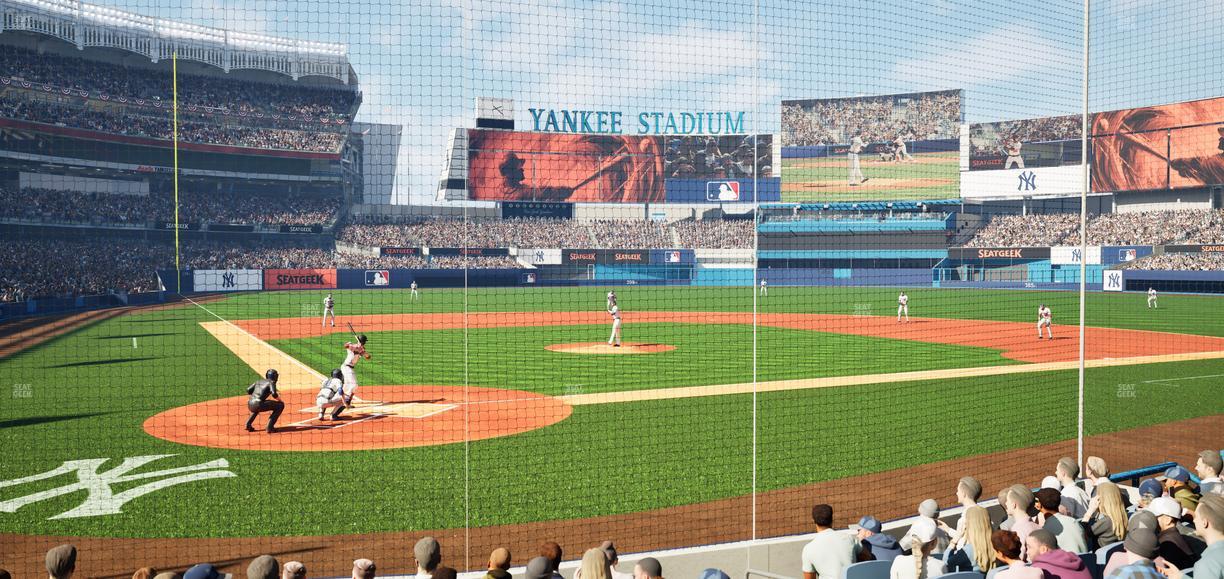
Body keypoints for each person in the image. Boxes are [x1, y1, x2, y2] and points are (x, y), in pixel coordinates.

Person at [1153, 494, 1224, 579]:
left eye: (1196, 516)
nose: (1194, 520)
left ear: (1205, 523)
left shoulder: (1206, 564)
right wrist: (1181, 577)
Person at [801, 504, 861, 579]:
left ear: (814, 521)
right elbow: (867, 557)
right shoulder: (848, 538)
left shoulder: (808, 549)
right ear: (832, 519)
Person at [1036, 487, 1089, 553]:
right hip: (1085, 562)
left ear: (1039, 505)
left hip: (1066, 562)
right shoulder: (1073, 521)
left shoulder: (1045, 531)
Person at [1149, 497, 1197, 569]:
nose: (1150, 519)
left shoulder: (1166, 543)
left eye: (1154, 516)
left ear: (1167, 520)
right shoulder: (1173, 536)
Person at [947, 506, 998, 573]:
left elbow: (945, 563)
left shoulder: (967, 551)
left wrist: (954, 541)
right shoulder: (1000, 544)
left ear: (970, 525)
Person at [1027, 529, 1092, 579]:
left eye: (1029, 547)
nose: (1027, 552)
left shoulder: (1038, 570)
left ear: (1043, 549)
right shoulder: (1077, 560)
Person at [1083, 481, 1129, 546]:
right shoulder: (1124, 515)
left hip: (1099, 555)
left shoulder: (1106, 522)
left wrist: (1089, 512)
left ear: (1102, 500)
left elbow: (1081, 534)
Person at [245, 369, 284, 433]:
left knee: (258, 407)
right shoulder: (271, 382)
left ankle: (248, 424)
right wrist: (280, 400)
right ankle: (270, 427)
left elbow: (248, 390)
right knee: (280, 405)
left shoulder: (259, 381)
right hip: (258, 405)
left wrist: (255, 396)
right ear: (275, 377)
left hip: (250, 404)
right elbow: (274, 394)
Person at [341, 335, 371, 400]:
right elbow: (345, 346)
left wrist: (363, 351)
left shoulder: (361, 349)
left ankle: (338, 397)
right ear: (362, 341)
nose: (365, 343)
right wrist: (355, 346)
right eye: (364, 341)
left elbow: (368, 357)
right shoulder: (352, 346)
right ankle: (347, 399)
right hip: (346, 367)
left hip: (349, 368)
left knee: (347, 385)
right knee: (354, 385)